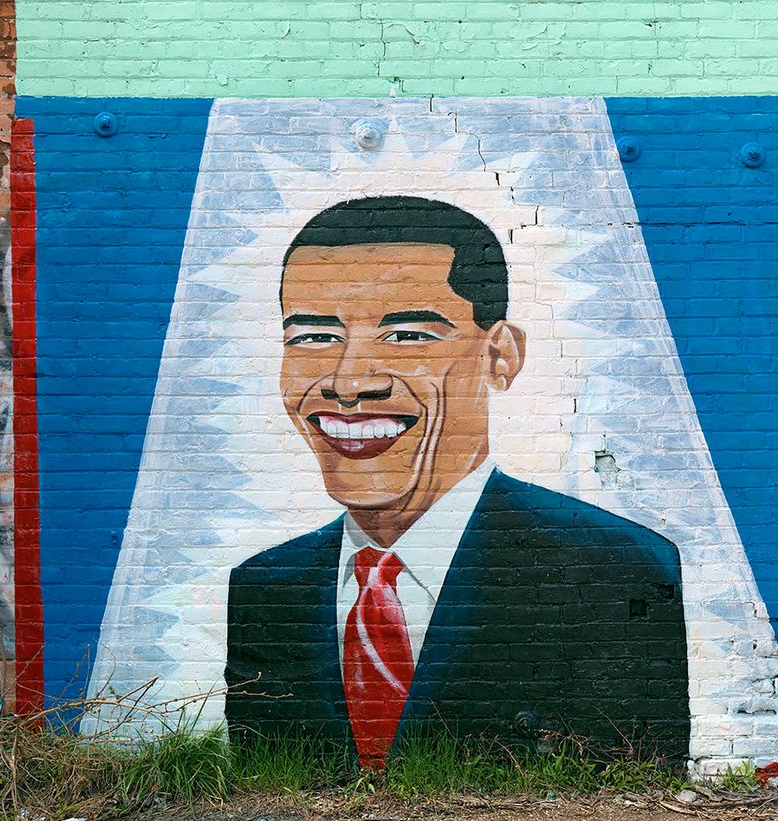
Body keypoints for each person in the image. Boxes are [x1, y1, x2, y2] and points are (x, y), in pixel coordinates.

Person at [225, 196, 688, 768]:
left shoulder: (612, 570)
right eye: (314, 338)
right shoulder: (266, 589)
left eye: (407, 335)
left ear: (501, 356)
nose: (349, 381)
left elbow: (630, 805)